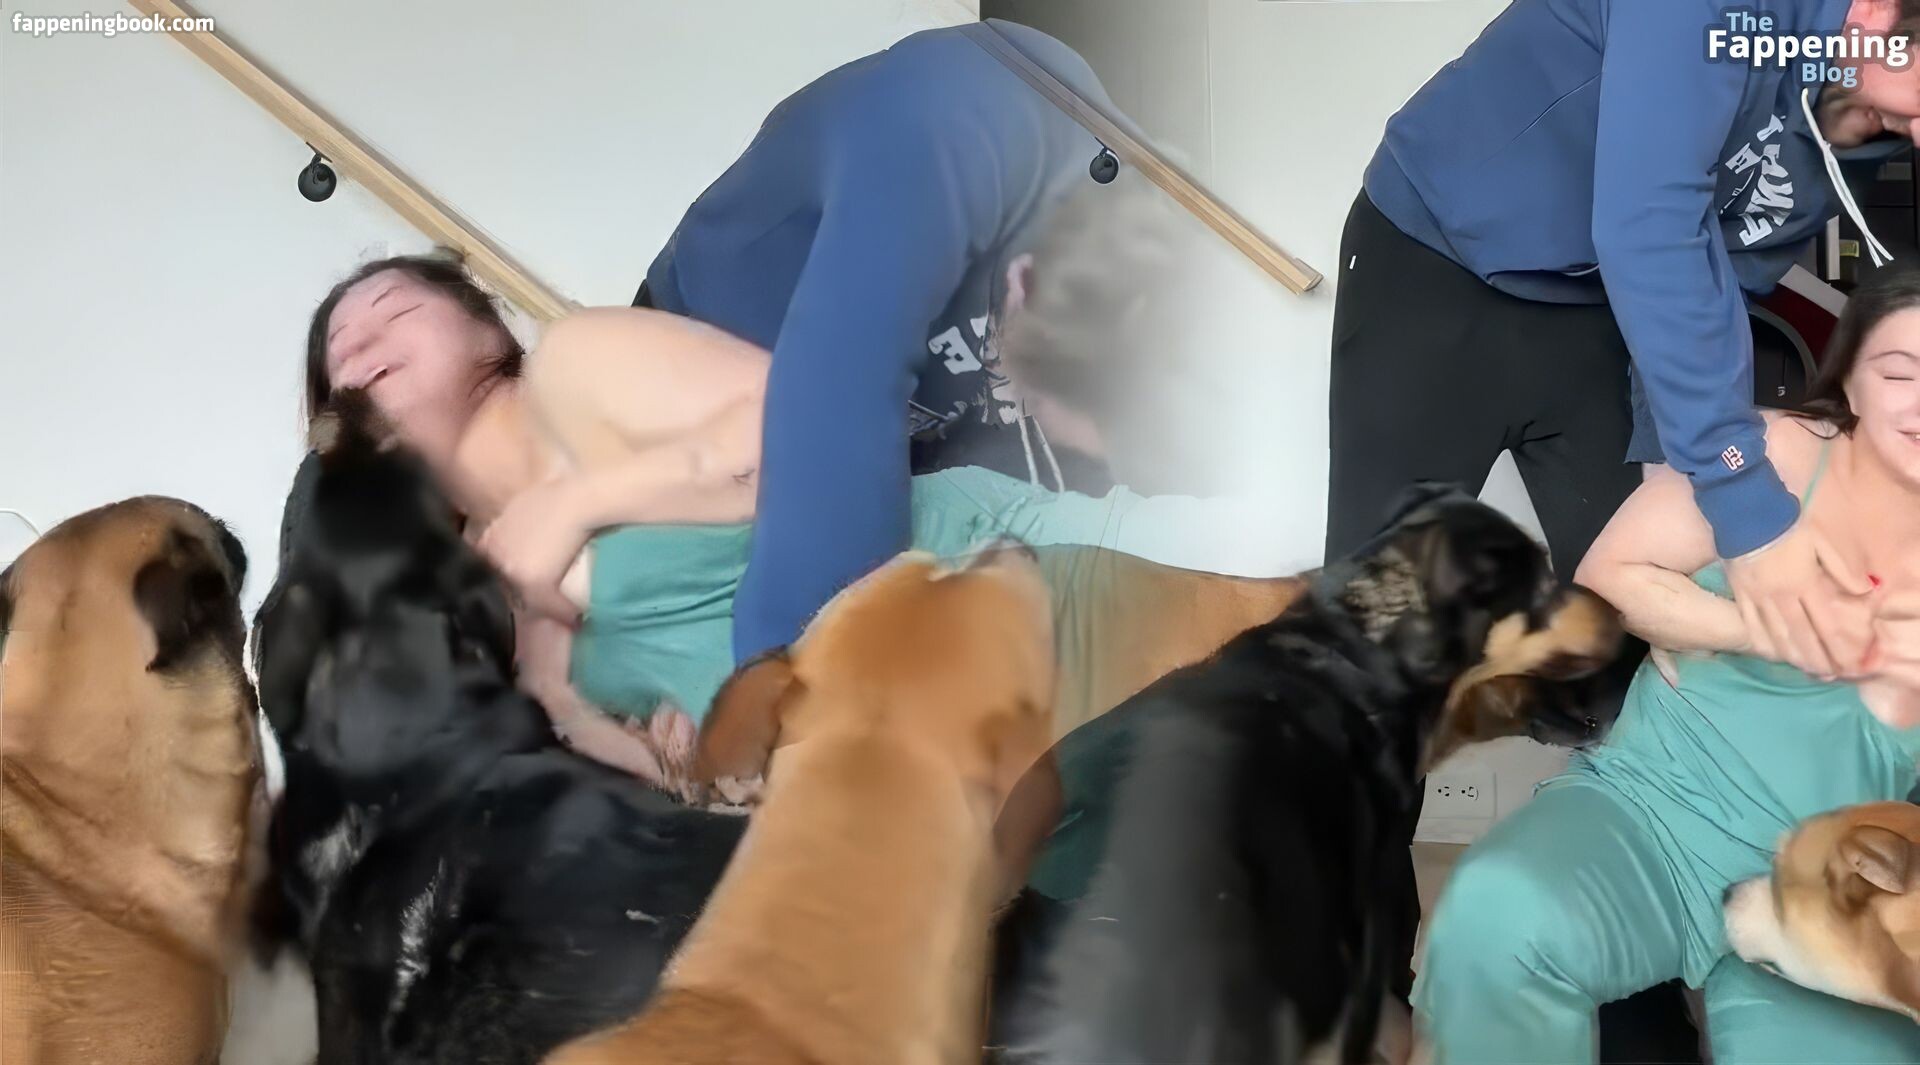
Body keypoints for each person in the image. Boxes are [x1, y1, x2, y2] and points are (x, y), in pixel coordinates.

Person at [286, 242, 1262, 793]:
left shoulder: (576, 367)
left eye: (392, 309)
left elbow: (813, 430)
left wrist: (579, 501)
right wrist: (626, 731)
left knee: (1307, 596)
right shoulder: (462, 592)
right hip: (930, 767)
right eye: (343, 350)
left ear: (484, 322)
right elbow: (662, 765)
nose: (361, 335)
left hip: (1011, 571)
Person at [1415, 268, 1920, 1064]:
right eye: (1900, 373)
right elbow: (1610, 577)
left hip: (1839, 889)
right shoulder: (1773, 452)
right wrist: (1771, 631)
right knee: (1498, 913)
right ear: (1851, 374)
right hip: (1655, 809)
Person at [1331, 0, 1920, 680]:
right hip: (1440, 259)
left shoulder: (1870, 115)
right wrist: (1748, 509)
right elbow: (1651, 227)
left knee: (1618, 640)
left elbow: (1721, 284)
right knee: (1382, 631)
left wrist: (1678, 482)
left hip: (1608, 303)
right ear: (1876, 10)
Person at [635, 19, 1141, 667]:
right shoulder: (945, 118)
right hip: (709, 357)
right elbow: (836, 409)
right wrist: (785, 689)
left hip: (894, 393)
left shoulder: (1106, 257)